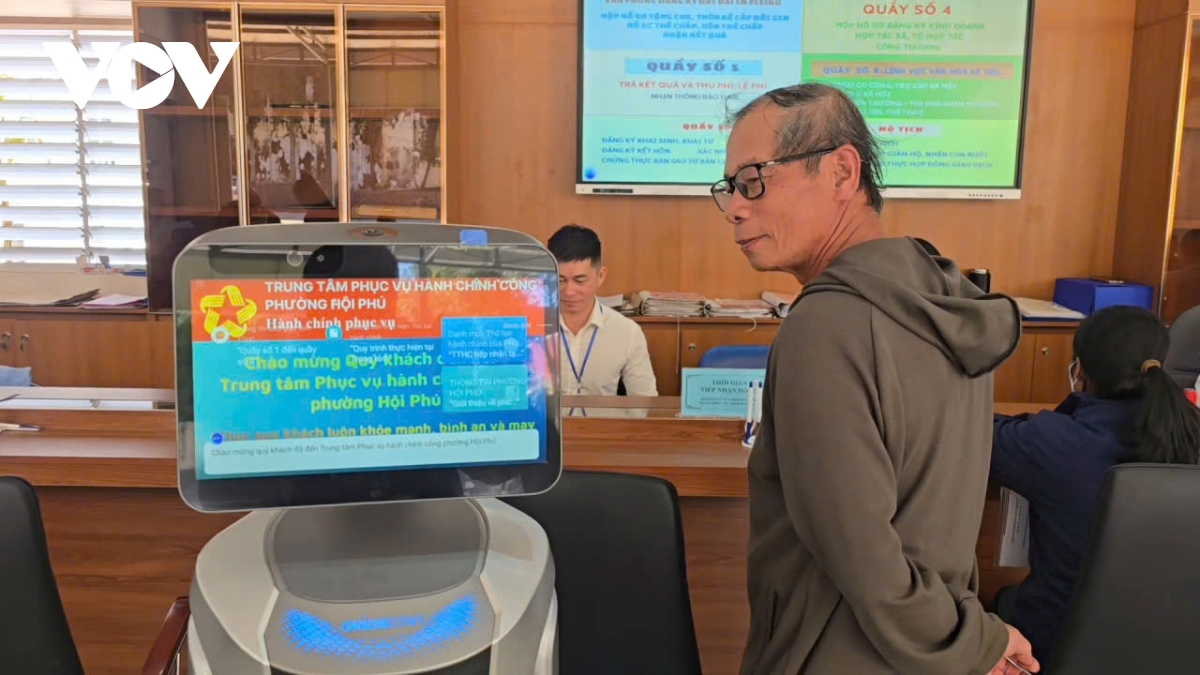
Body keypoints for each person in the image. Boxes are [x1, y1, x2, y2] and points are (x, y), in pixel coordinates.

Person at [714, 82, 1037, 674]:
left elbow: (860, 551)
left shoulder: (827, 323)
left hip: (839, 650)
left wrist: (976, 645)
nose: (736, 206)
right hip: (931, 641)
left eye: (754, 179)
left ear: (842, 172)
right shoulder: (944, 302)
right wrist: (973, 640)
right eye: (730, 186)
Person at [991, 305, 1200, 666]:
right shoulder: (1190, 433)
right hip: (1177, 651)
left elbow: (971, 431)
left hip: (1053, 648)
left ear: (1079, 370)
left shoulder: (1055, 443)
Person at [548, 224, 656, 397]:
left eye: (580, 280)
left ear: (601, 276)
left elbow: (644, 401)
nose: (569, 291)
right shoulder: (530, 327)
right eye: (560, 280)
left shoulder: (627, 332)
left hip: (601, 416)